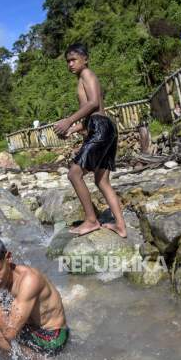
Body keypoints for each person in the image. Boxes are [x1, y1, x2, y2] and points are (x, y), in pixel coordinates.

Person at [54, 43, 127, 238]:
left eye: (73, 60)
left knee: (74, 174)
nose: (70, 64)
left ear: (85, 59)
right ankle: (120, 225)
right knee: (102, 181)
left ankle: (91, 220)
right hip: (103, 128)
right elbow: (92, 118)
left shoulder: (87, 74)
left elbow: (94, 103)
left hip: (101, 129)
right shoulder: (82, 78)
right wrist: (72, 129)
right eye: (67, 61)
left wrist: (69, 120)